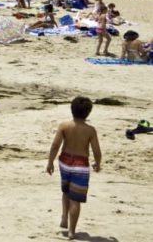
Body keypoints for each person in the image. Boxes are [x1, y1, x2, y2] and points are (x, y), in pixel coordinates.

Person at [46, 96, 101, 240]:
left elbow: (55, 145)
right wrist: (98, 163)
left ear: (72, 109)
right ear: (88, 112)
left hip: (65, 161)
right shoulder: (90, 130)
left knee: (66, 191)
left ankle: (64, 217)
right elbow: (96, 150)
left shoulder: (64, 126)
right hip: (80, 165)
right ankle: (71, 231)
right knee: (75, 199)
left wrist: (50, 162)